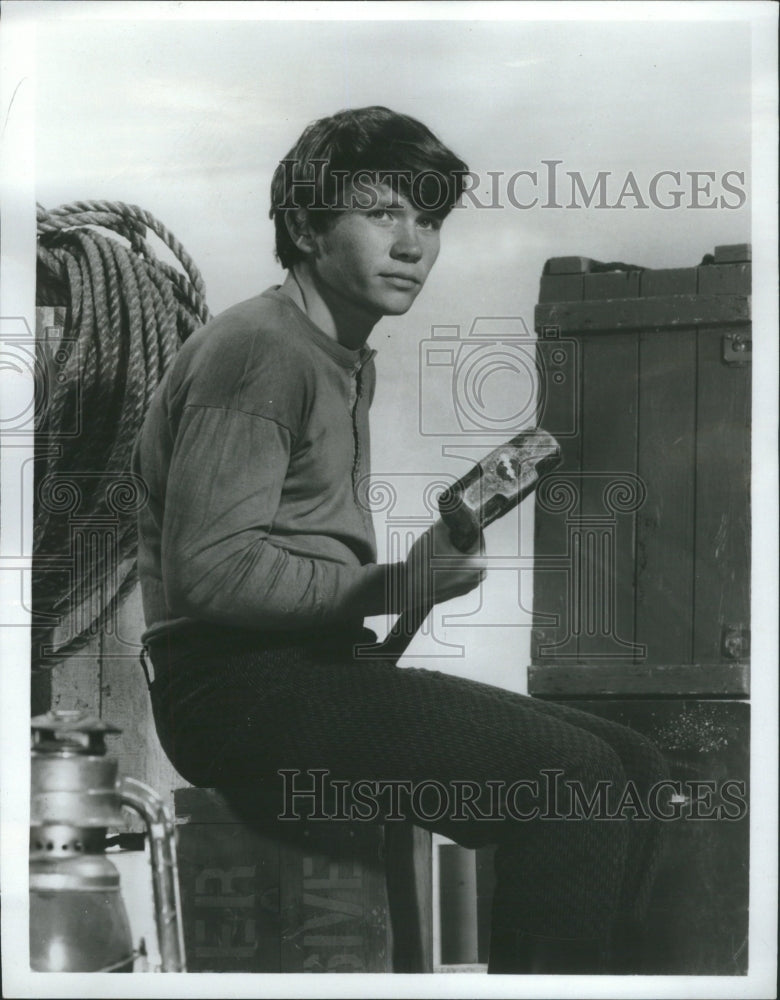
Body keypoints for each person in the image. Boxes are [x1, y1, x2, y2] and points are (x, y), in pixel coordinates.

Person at [133, 106, 669, 974]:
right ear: (307, 225)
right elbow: (208, 575)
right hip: (232, 694)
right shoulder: (261, 350)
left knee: (636, 767)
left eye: (430, 220)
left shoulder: (339, 353)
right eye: (384, 213)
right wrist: (396, 584)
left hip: (305, 672)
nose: (413, 244)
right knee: (576, 780)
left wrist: (409, 580)